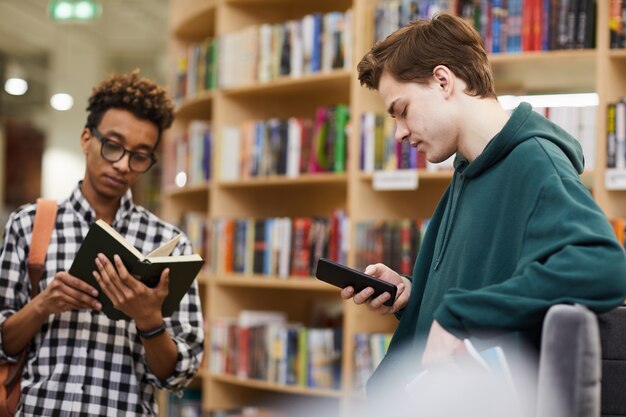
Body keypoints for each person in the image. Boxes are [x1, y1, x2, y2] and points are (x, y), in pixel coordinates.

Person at [342, 12, 626, 412]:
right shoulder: (466, 169)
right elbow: (485, 278)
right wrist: (411, 296)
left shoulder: (534, 162)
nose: (400, 132)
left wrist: (465, 314)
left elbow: (604, 265)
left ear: (443, 81)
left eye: (402, 110)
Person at [0, 70, 204, 416]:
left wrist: (149, 320)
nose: (123, 165)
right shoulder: (29, 224)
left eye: (140, 155)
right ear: (86, 139)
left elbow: (177, 375)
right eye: (113, 146)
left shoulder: (170, 244)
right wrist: (43, 304)